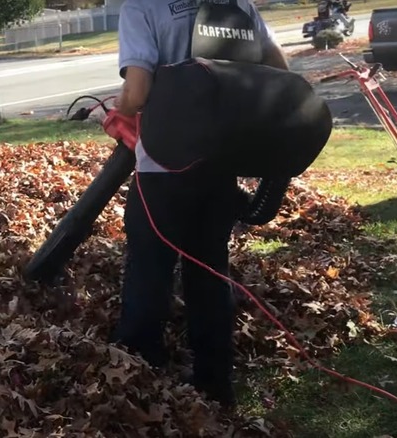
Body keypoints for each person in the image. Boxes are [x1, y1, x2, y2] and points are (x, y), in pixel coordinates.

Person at [104, 0, 290, 410]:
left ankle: (138, 379)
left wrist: (120, 106)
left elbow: (138, 91)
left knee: (149, 271)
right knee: (209, 272)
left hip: (163, 170)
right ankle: (215, 382)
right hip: (220, 163)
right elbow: (278, 69)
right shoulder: (236, 3)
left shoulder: (142, 7)